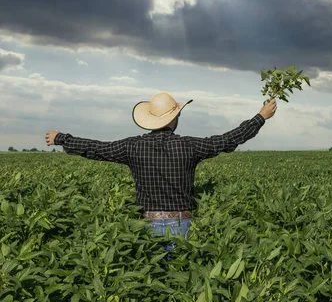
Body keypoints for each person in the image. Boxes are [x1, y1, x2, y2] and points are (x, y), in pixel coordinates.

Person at [45, 92, 277, 259]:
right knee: (179, 285)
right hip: (182, 223)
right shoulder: (189, 146)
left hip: (146, 223)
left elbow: (97, 148)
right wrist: (260, 117)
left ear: (151, 121)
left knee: (153, 283)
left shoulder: (132, 147)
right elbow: (228, 139)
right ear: (173, 119)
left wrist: (62, 138)